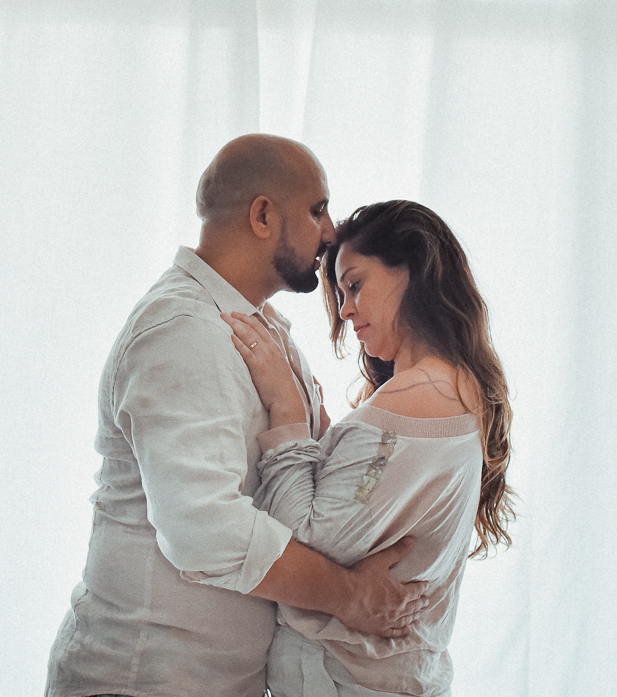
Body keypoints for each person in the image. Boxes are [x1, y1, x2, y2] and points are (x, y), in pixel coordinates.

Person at [45, 137, 429, 697]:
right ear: (264, 215)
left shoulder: (261, 329)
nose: (331, 233)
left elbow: (311, 471)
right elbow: (204, 529)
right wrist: (351, 596)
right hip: (143, 682)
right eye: (317, 210)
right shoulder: (183, 331)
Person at [222, 200, 514, 697]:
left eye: (355, 284)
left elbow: (303, 538)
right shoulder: (454, 392)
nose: (345, 309)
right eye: (339, 293)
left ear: (414, 269)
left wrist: (286, 407)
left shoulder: (420, 398)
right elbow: (361, 509)